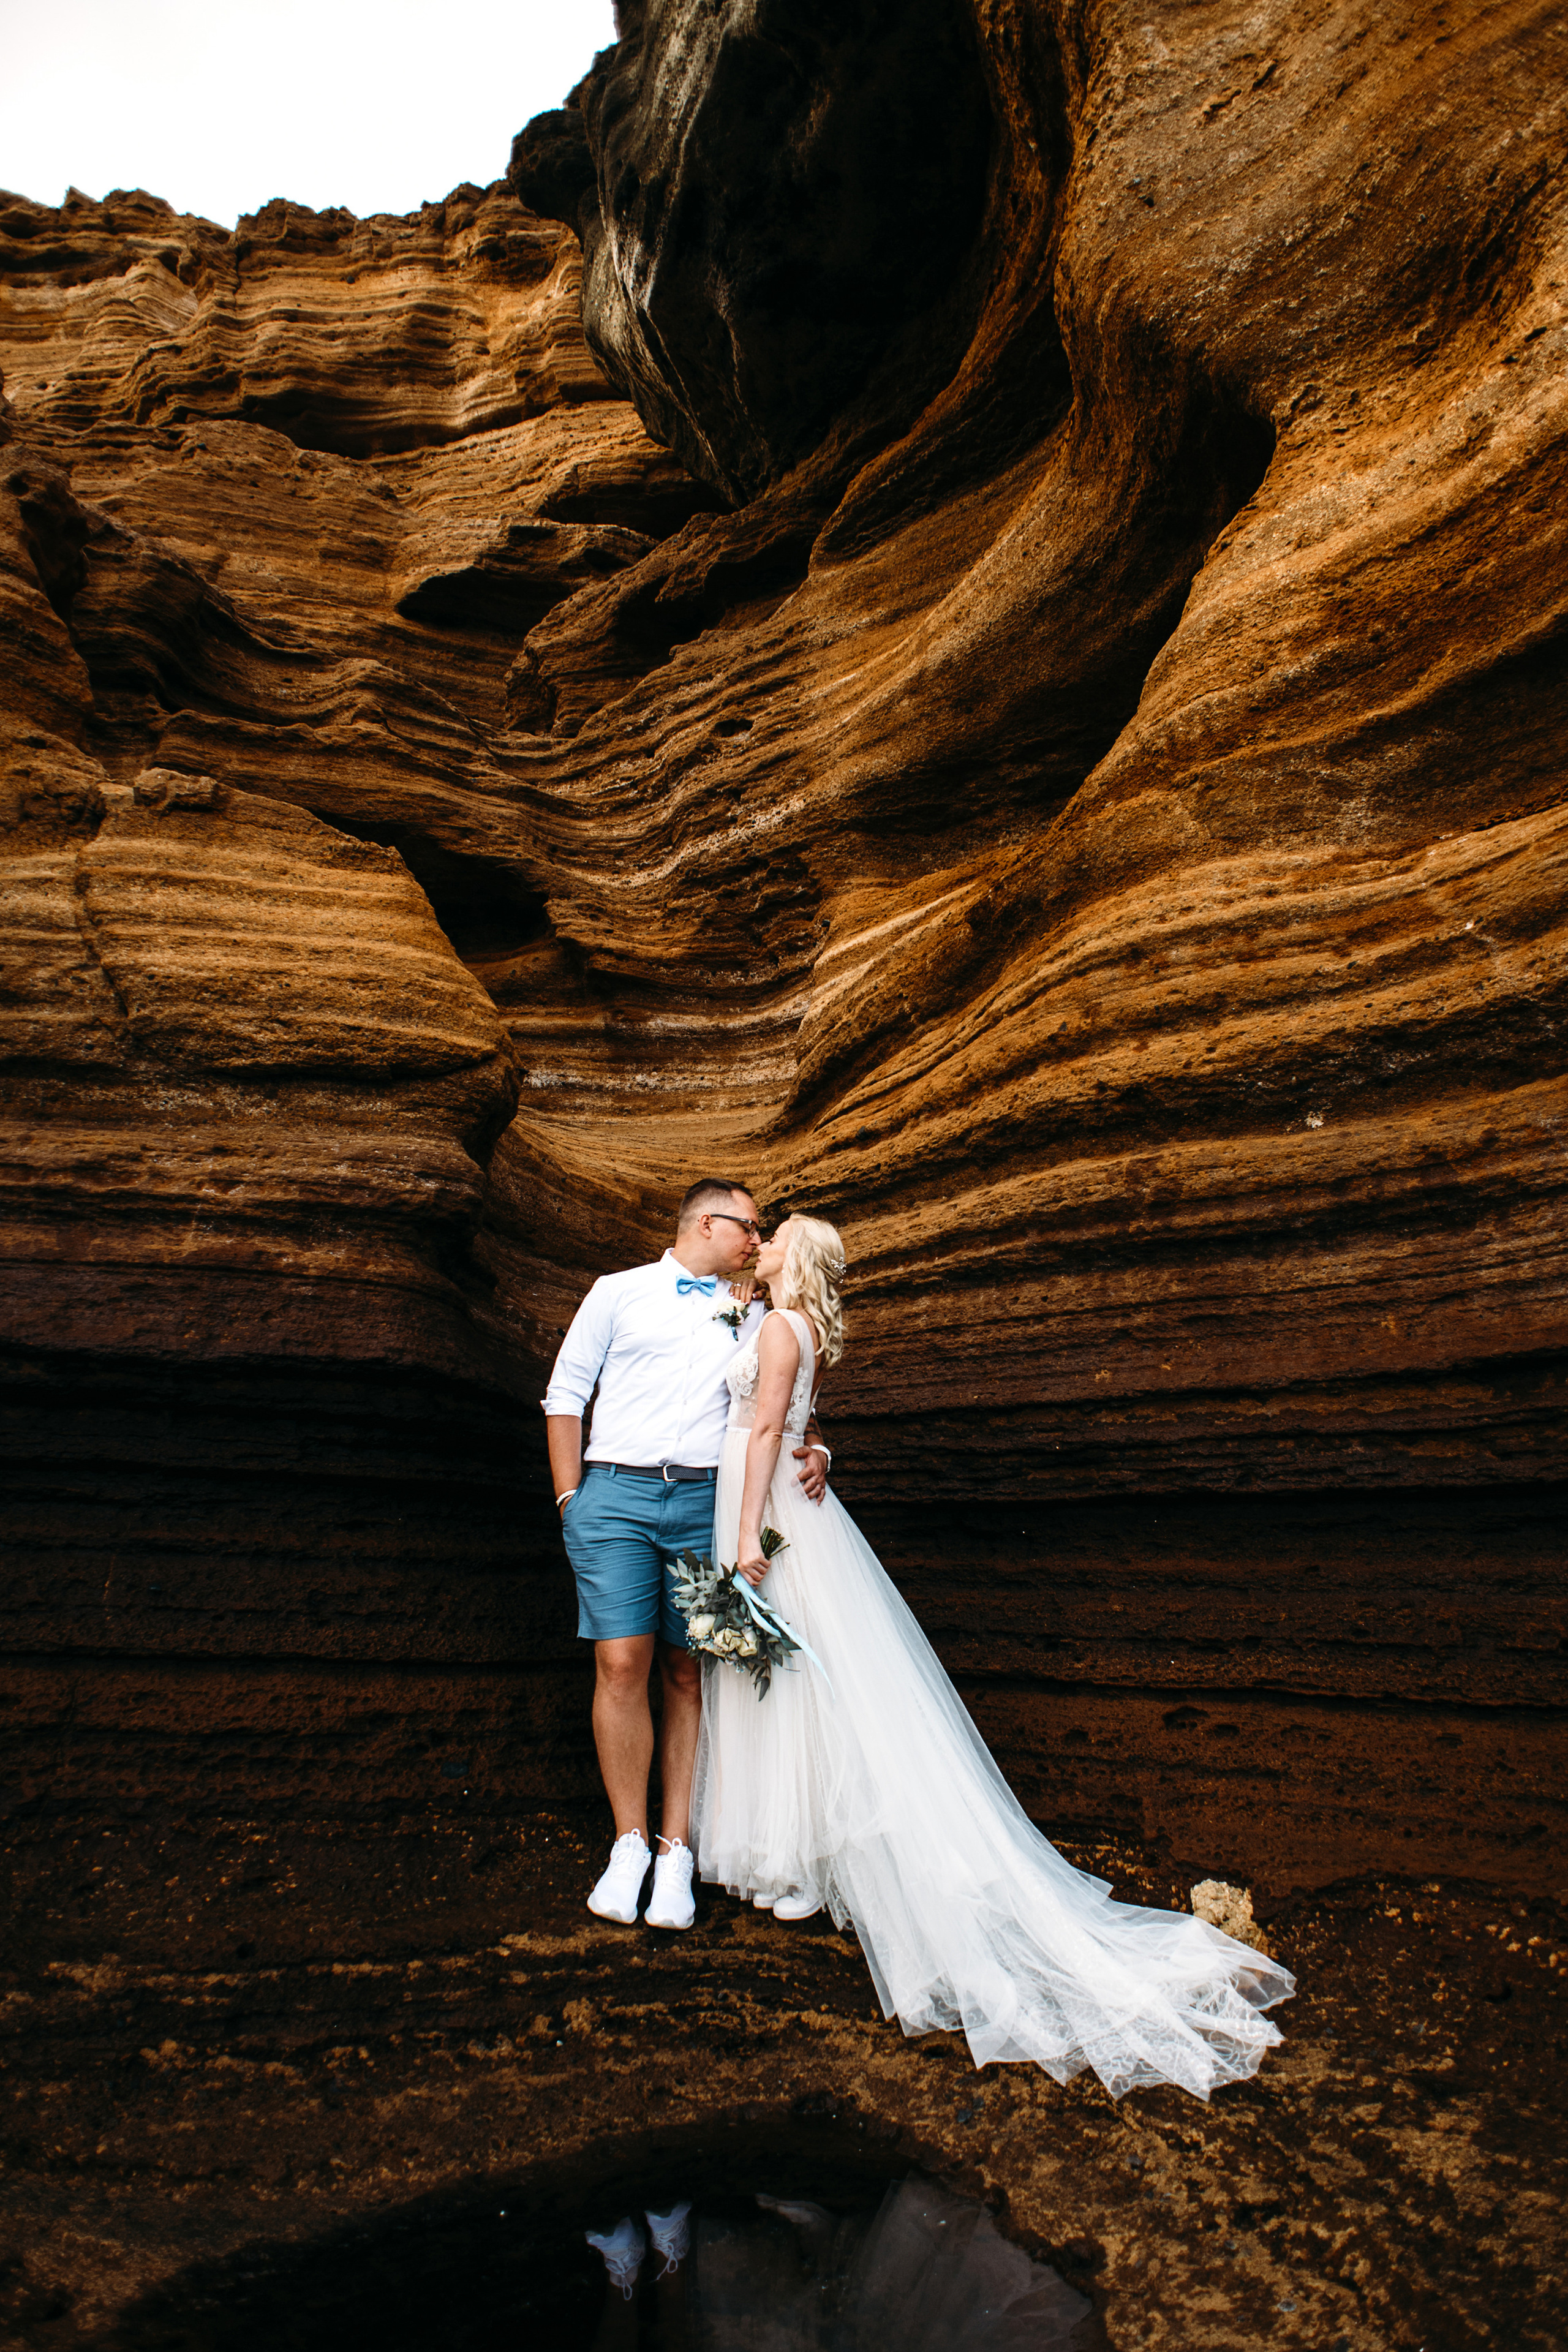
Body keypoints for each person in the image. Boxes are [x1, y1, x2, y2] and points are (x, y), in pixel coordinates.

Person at [692, 1214, 1296, 2100]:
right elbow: (800, 1423)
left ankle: (793, 1865)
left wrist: (748, 1531)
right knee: (789, 1675)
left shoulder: (782, 1326)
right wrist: (815, 1452)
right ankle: (793, 1863)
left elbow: (769, 1424)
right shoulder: (787, 1322)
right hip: (786, 1494)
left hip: (764, 1508)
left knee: (788, 1676)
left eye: (779, 1232)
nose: (767, 1237)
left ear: (801, 1258)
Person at [543, 1180, 829, 1931]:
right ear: (709, 1222)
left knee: (687, 1667)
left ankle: (678, 1849)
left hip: (704, 1503)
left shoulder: (758, 1309)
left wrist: (818, 1446)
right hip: (613, 1499)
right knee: (619, 1661)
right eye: (751, 1226)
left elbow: (783, 1400)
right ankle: (628, 1843)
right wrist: (571, 1500)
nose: (758, 1240)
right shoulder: (617, 1291)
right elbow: (566, 1392)